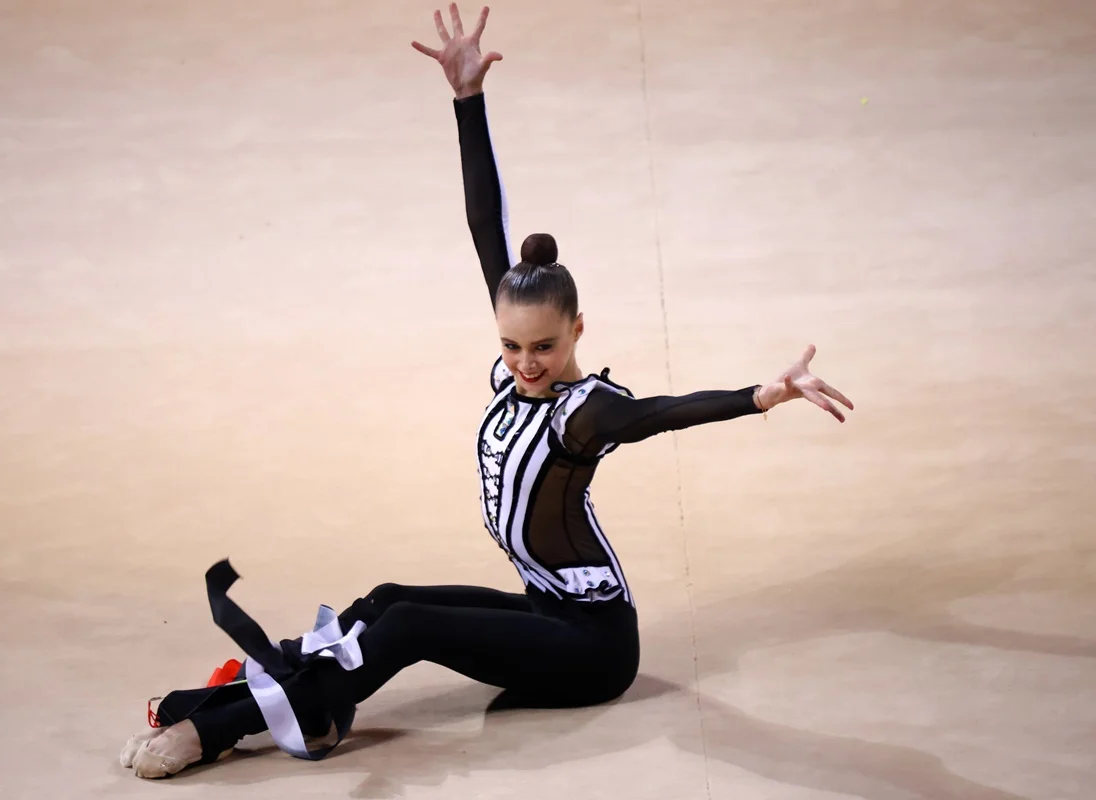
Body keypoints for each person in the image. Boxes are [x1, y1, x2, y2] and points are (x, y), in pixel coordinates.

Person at [119, 3, 854, 779]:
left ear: (576, 333)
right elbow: (484, 225)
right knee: (388, 599)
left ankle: (218, 727)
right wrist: (467, 100)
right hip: (547, 606)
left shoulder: (584, 412)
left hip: (594, 651)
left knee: (407, 629)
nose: (525, 363)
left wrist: (763, 394)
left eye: (543, 346)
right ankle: (297, 693)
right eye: (510, 345)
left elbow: (659, 415)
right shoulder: (514, 353)